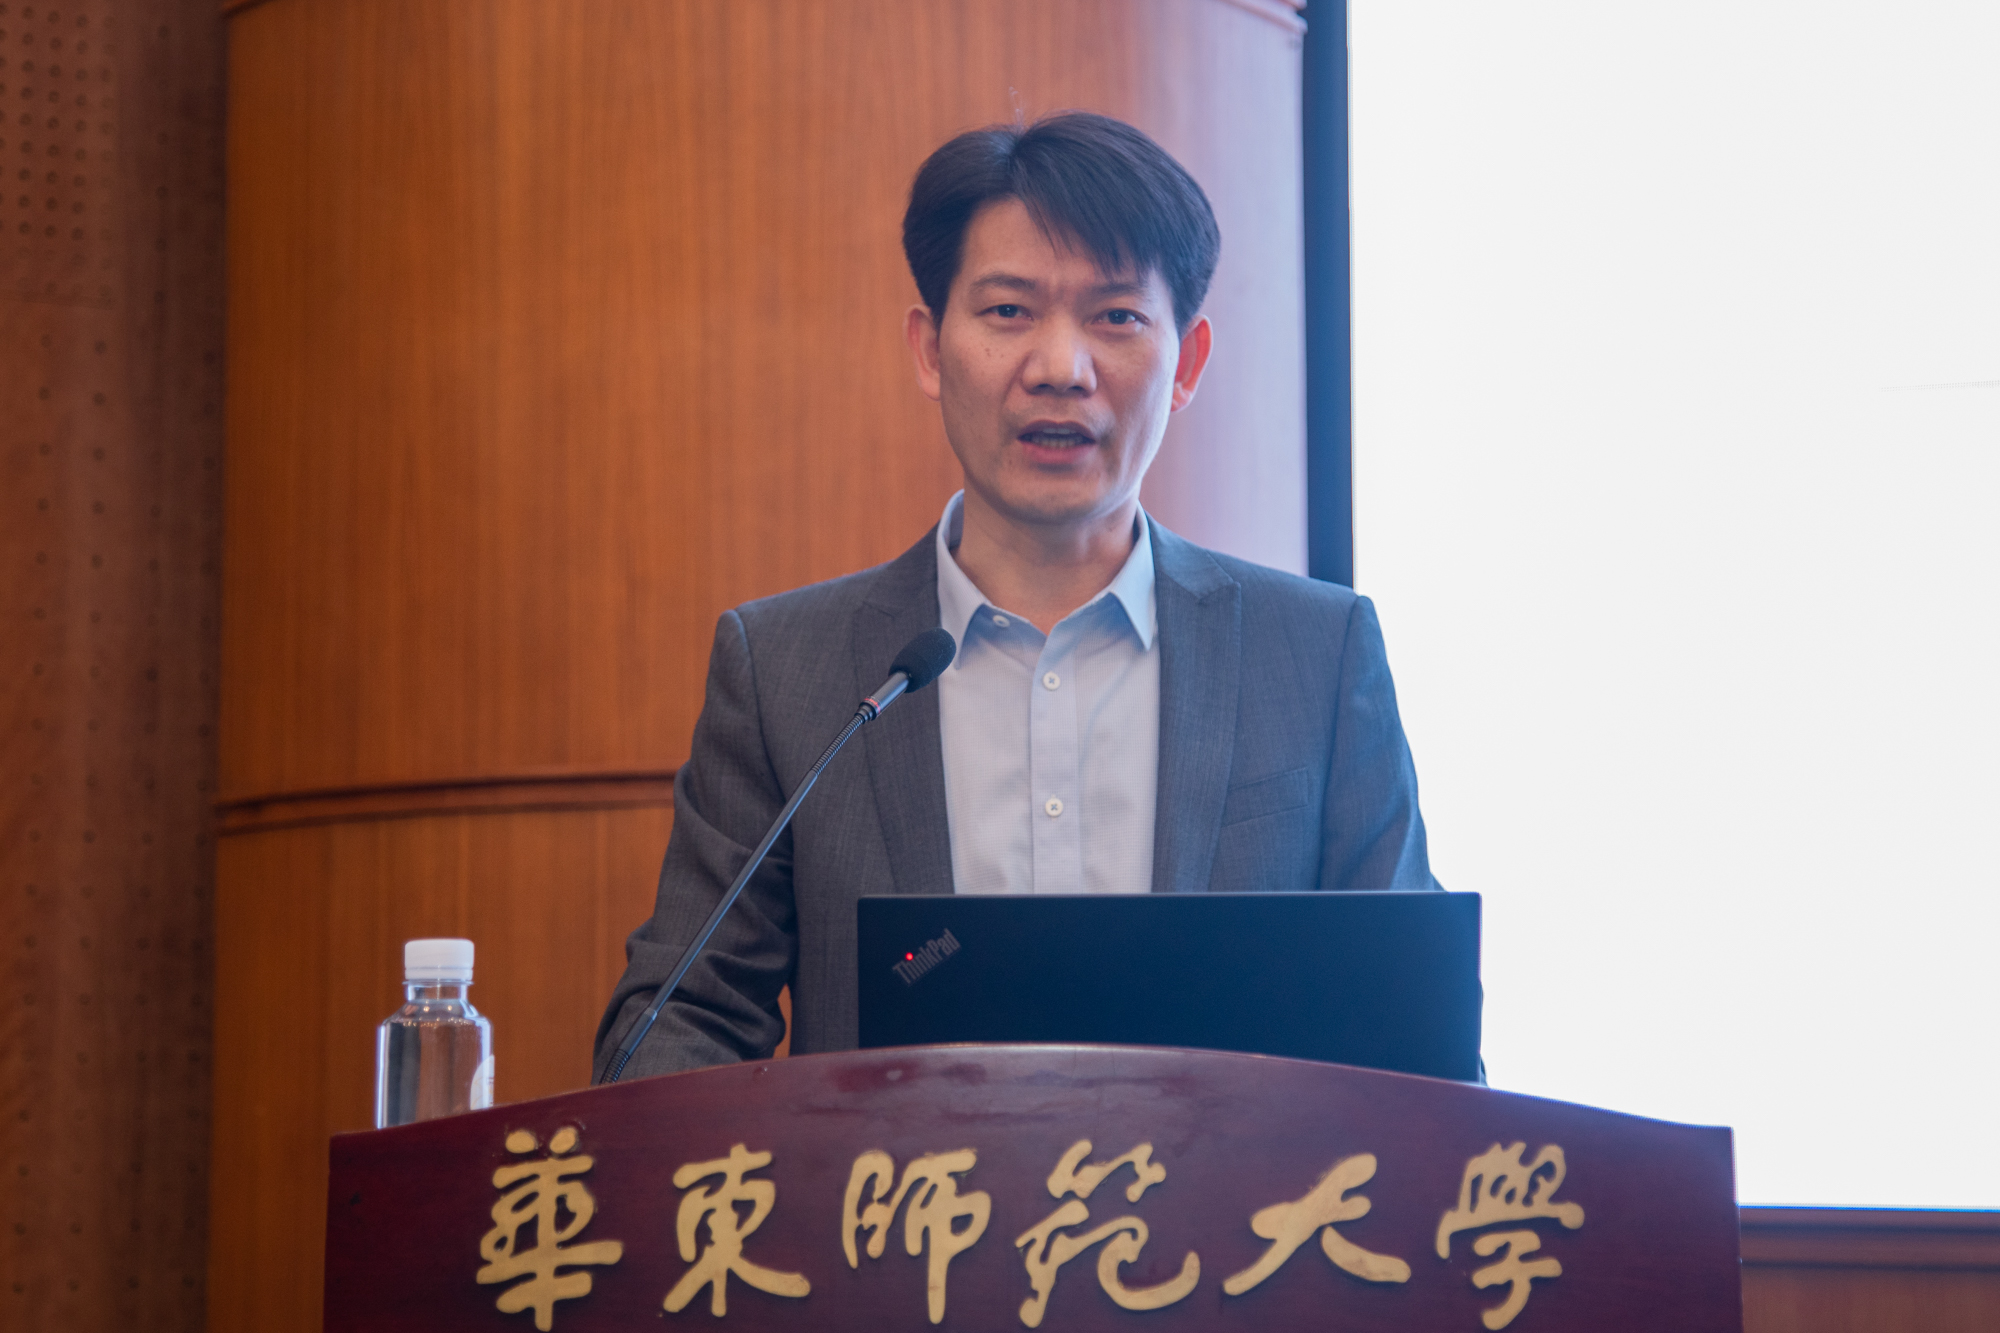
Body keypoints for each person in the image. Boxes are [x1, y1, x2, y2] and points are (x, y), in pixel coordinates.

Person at [593, 112, 1437, 1081]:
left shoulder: (1315, 656)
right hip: (896, 1186)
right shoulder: (788, 672)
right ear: (929, 349)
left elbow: (1410, 1031)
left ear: (1188, 363)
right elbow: (679, 1018)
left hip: (1220, 1188)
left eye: (1115, 317)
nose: (1059, 369)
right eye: (1007, 311)